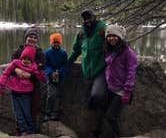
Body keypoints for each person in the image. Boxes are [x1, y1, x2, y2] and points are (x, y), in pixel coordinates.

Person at [68, 9, 107, 138]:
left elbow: (115, 42)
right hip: (86, 73)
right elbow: (76, 51)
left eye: (89, 18)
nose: (87, 21)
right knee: (88, 103)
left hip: (100, 71)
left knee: (97, 95)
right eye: (85, 19)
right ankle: (93, 131)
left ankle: (98, 129)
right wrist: (66, 64)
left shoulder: (102, 30)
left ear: (94, 18)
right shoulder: (81, 34)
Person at [100, 24, 137, 138]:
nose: (111, 38)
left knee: (111, 116)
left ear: (120, 37)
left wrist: (127, 92)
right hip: (111, 88)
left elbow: (131, 72)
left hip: (121, 91)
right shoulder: (109, 50)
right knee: (107, 114)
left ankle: (118, 136)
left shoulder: (128, 52)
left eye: (114, 36)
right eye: (109, 36)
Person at [0, 45, 46, 136]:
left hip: (26, 94)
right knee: (19, 115)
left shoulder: (33, 67)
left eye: (29, 59)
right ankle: (24, 131)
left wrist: (37, 70)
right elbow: (6, 73)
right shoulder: (15, 63)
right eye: (24, 58)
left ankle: (31, 131)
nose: (26, 61)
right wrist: (1, 85)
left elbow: (42, 78)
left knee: (27, 114)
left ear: (32, 60)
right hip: (14, 93)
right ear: (21, 57)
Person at [11, 26, 46, 132]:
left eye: (35, 37)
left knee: (32, 109)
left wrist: (30, 76)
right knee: (19, 112)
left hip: (33, 87)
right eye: (30, 36)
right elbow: (10, 67)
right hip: (17, 86)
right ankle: (21, 131)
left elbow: (42, 72)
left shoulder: (40, 53)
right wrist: (16, 70)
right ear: (25, 38)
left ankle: (31, 131)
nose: (32, 39)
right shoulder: (18, 52)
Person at [44, 32, 67, 122]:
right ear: (51, 43)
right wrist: (50, 72)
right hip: (50, 77)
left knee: (58, 95)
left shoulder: (63, 53)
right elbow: (45, 65)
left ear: (60, 43)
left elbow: (65, 65)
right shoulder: (48, 52)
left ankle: (55, 113)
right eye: (54, 42)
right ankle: (47, 113)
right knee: (51, 95)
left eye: (57, 42)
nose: (56, 44)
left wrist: (60, 72)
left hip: (60, 77)